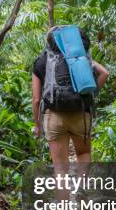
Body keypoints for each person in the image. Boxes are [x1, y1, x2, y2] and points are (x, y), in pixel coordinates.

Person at [32, 27, 109, 166]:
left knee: (60, 166)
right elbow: (104, 73)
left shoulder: (42, 61)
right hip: (80, 112)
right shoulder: (80, 58)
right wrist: (92, 92)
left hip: (54, 115)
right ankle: (81, 187)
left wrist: (37, 125)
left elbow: (36, 99)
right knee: (83, 154)